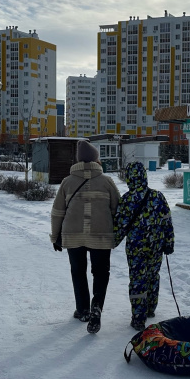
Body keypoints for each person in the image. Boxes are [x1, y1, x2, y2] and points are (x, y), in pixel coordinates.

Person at [51, 140, 120, 334]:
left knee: (78, 272)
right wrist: (115, 232)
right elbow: (117, 209)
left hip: (73, 235)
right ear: (96, 159)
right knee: (101, 273)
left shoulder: (67, 181)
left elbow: (57, 212)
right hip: (101, 236)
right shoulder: (107, 181)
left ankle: (82, 310)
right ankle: (96, 306)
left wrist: (55, 236)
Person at [114, 162, 175, 331]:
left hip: (135, 249)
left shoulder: (126, 200)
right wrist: (169, 243)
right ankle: (150, 308)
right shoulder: (158, 196)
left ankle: (138, 318)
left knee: (137, 280)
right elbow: (167, 221)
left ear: (129, 178)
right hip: (156, 246)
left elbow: (120, 225)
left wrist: (112, 241)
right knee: (153, 276)